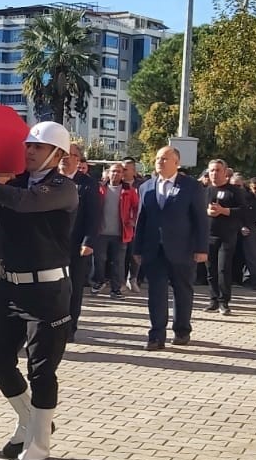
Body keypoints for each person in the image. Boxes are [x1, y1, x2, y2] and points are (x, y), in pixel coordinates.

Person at [0, 121, 78, 460]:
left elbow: (24, 204)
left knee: (41, 369)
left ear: (58, 155)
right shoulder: (15, 184)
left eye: (39, 147)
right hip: (10, 287)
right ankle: (30, 421)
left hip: (48, 292)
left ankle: (38, 447)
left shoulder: (62, 188)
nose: (31, 151)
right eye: (29, 145)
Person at [132, 146, 209, 351]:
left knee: (183, 291)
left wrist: (202, 248)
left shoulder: (191, 186)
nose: (160, 162)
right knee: (156, 293)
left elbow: (201, 220)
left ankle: (182, 330)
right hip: (153, 250)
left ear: (177, 162)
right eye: (158, 158)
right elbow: (141, 220)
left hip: (183, 249)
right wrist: (137, 249)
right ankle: (156, 335)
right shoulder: (146, 187)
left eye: (165, 159)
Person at [62, 142, 99, 333]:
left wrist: (89, 241)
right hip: (51, 244)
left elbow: (94, 216)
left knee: (74, 287)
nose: (64, 158)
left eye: (69, 154)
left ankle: (70, 328)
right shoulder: (50, 180)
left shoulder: (87, 184)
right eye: (61, 153)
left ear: (78, 160)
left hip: (76, 244)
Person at [204, 159, 246, 314]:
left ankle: (224, 301)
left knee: (223, 269)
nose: (214, 173)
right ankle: (213, 300)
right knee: (211, 270)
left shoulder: (234, 191)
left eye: (217, 170)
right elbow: (197, 211)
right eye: (212, 170)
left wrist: (224, 211)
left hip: (227, 236)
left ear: (225, 172)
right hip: (208, 236)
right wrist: (207, 212)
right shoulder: (205, 191)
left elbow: (243, 211)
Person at [91, 162, 136, 299]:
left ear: (123, 174)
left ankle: (116, 289)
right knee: (99, 259)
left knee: (118, 262)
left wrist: (133, 220)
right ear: (108, 173)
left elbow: (137, 207)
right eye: (113, 171)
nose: (116, 174)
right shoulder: (100, 189)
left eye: (119, 172)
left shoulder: (129, 190)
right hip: (101, 231)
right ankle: (99, 281)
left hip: (120, 233)